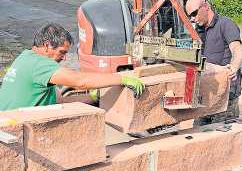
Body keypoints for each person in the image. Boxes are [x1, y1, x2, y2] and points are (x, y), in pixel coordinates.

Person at [0, 24, 145, 111]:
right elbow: (79, 80)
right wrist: (121, 78)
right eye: (61, 52)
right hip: (15, 129)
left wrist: (94, 97)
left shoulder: (26, 57)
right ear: (46, 46)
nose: (64, 58)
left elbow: (61, 102)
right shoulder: (39, 63)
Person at [185, 0, 242, 124]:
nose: (192, 19)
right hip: (206, 94)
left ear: (205, 6)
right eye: (190, 16)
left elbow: (237, 51)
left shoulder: (225, 24)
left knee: (223, 137)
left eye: (194, 14)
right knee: (198, 133)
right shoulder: (198, 31)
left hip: (226, 96)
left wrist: (233, 68)